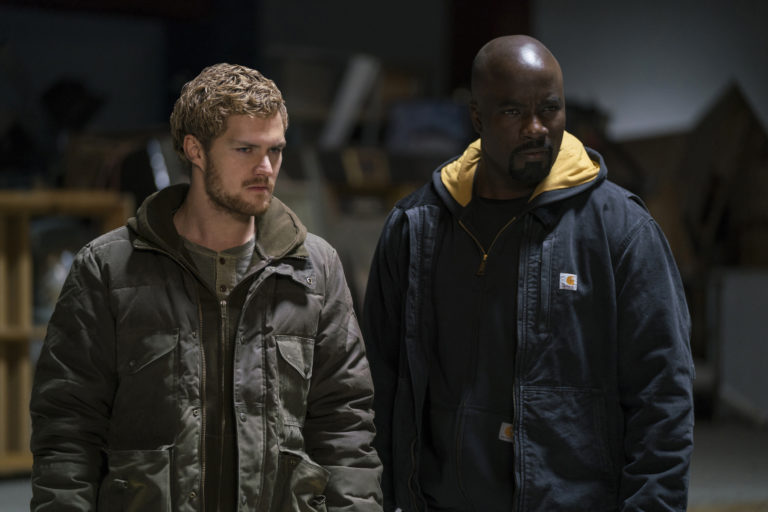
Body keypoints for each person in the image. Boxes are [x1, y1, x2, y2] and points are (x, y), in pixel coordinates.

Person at [362, 35, 694, 511]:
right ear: (478, 117)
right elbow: (379, 386)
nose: (536, 128)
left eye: (550, 109)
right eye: (513, 111)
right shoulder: (417, 228)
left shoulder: (621, 231)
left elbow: (663, 396)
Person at [30, 63, 383, 511]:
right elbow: (68, 431)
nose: (266, 168)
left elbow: (344, 425)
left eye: (275, 150)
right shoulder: (109, 270)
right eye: (245, 149)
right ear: (195, 150)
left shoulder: (315, 269)